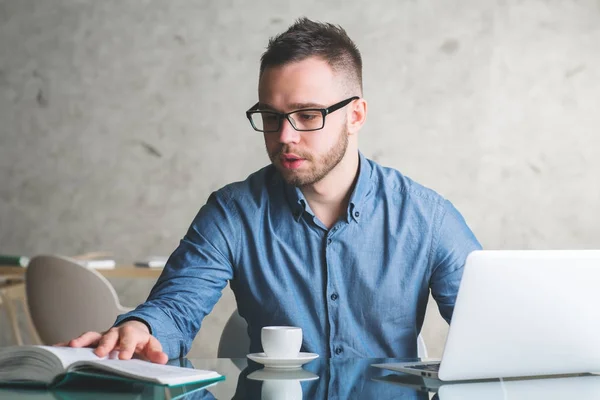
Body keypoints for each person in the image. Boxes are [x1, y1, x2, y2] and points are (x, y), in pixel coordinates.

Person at [66, 17, 481, 363]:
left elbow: (490, 334)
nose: (285, 136)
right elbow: (175, 308)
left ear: (355, 115)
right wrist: (140, 328)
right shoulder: (232, 212)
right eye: (270, 116)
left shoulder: (427, 218)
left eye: (307, 114)